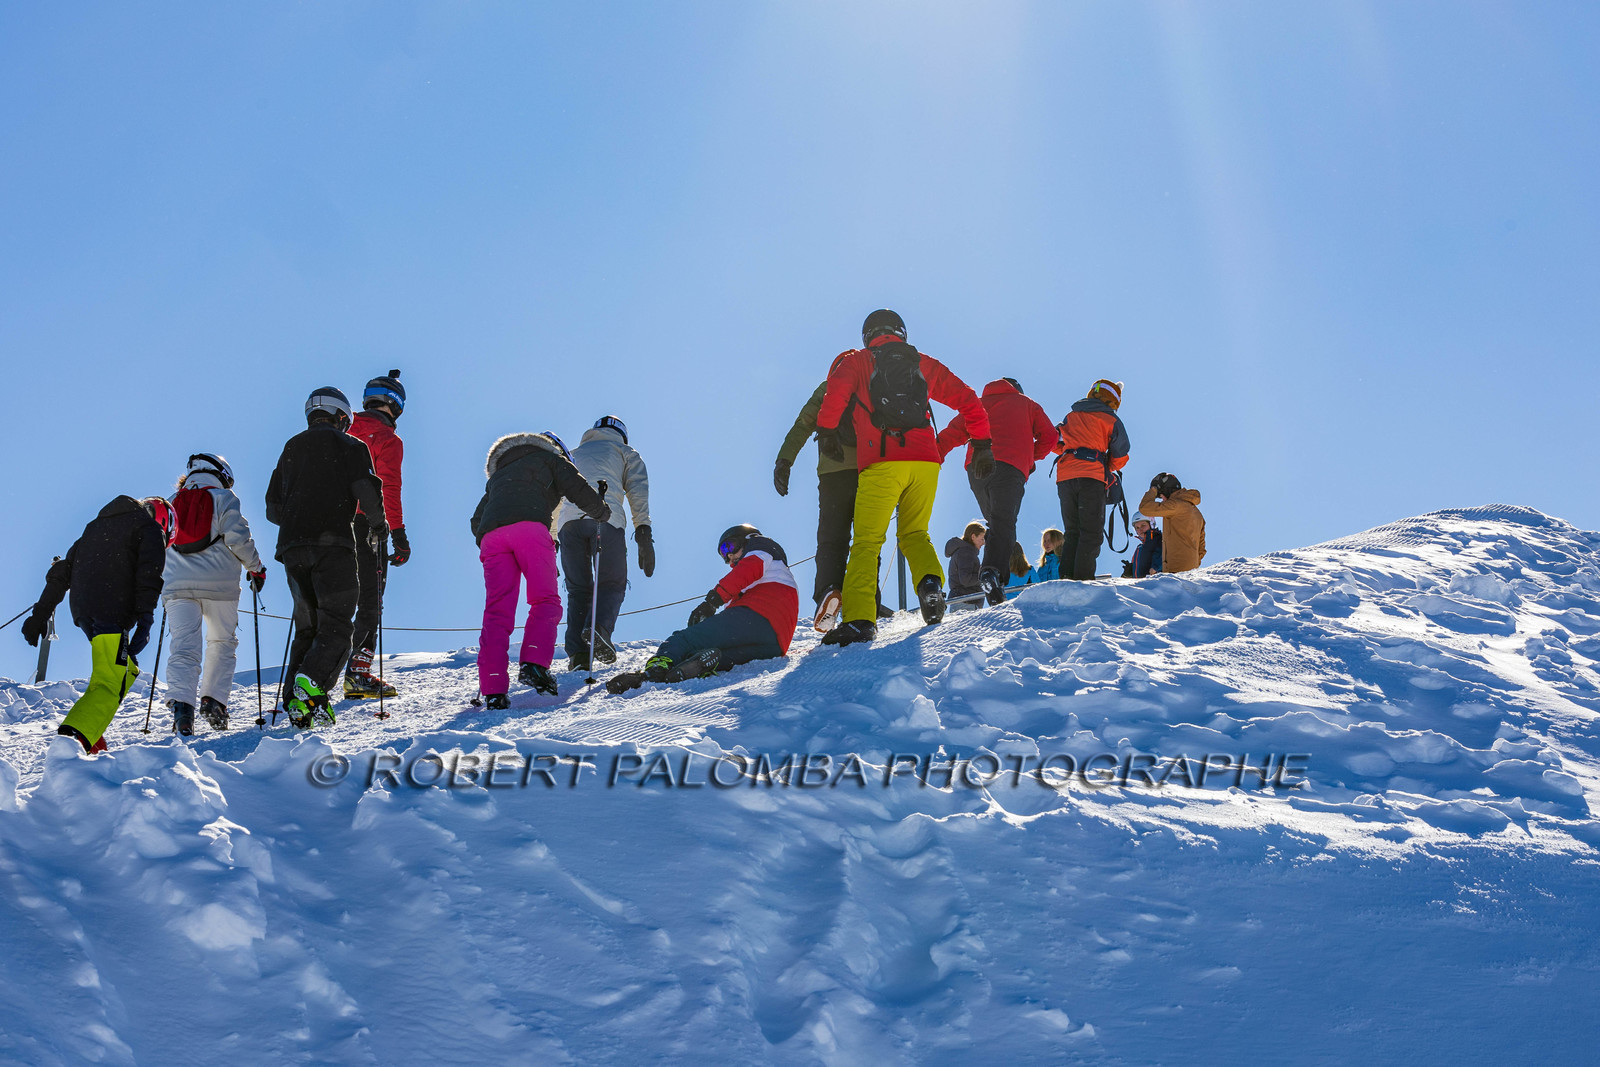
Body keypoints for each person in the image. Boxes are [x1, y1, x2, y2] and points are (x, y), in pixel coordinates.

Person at [814, 309, 993, 646]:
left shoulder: (858, 362)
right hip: (926, 462)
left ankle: (860, 620)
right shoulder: (922, 363)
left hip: (882, 462)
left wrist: (827, 433)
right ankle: (929, 585)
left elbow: (834, 394)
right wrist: (982, 443)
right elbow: (968, 399)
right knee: (914, 532)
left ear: (868, 335)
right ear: (901, 333)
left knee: (867, 543)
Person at [266, 387, 387, 728]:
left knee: (308, 626)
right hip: (333, 544)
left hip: (291, 548)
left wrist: (298, 516)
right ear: (342, 416)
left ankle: (297, 700)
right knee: (337, 622)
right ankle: (313, 681)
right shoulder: (350, 445)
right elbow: (366, 489)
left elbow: (272, 507)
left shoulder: (291, 447)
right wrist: (379, 527)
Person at [19, 496, 173, 752]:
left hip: (84, 611)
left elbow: (61, 574)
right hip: (112, 609)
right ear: (164, 521)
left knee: (126, 669)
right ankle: (74, 739)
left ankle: (92, 732)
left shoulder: (93, 529)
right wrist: (146, 618)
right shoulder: (149, 529)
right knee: (110, 679)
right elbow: (150, 573)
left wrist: (40, 615)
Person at [471, 431, 610, 709]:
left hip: (492, 539)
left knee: (497, 612)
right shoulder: (552, 459)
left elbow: (477, 520)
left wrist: (489, 539)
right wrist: (601, 511)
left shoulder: (500, 475)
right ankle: (534, 663)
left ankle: (494, 689)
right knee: (545, 600)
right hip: (531, 530)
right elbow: (578, 488)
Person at [606, 524, 797, 694]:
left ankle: (655, 669)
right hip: (774, 644)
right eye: (725, 555)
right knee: (716, 654)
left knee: (684, 639)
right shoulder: (769, 574)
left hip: (756, 615)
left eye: (728, 547)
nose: (729, 556)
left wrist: (711, 602)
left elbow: (748, 570)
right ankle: (693, 666)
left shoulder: (761, 546)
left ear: (747, 537)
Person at [160, 453, 267, 734]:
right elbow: (239, 538)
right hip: (221, 586)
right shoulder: (224, 497)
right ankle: (214, 701)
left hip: (177, 586)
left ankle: (183, 710)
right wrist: (256, 568)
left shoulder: (170, 501)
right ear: (222, 475)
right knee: (222, 641)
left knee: (183, 647)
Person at [774, 381, 894, 630]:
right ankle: (869, 599)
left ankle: (828, 592)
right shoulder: (874, 382)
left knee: (831, 539)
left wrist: (784, 461)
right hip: (870, 470)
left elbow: (804, 423)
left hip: (833, 473)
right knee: (868, 540)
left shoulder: (830, 386)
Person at [936, 377, 1056, 605]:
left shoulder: (978, 403)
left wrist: (933, 455)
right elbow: (1050, 438)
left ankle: (994, 582)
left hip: (977, 468)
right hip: (1009, 467)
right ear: (1017, 390)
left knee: (997, 523)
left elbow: (952, 432)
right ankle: (992, 575)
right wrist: (1030, 459)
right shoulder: (1027, 403)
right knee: (1004, 522)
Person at [553, 416, 653, 672]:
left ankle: (577, 655)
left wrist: (551, 538)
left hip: (569, 524)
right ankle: (599, 630)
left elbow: (555, 496)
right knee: (611, 582)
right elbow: (637, 489)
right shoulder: (625, 451)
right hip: (606, 519)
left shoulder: (572, 454)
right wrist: (643, 530)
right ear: (622, 434)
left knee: (578, 590)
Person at [344, 370, 409, 700]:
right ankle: (358, 672)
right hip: (369, 524)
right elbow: (388, 488)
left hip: (329, 525)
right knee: (370, 598)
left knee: (333, 598)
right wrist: (398, 535)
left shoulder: (343, 427)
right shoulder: (387, 439)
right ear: (396, 405)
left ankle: (313, 672)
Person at [1053, 379, 1130, 580]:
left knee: (1072, 531)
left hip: (1065, 477)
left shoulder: (1071, 415)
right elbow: (1121, 455)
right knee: (1091, 533)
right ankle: (1082, 581)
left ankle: (1066, 579)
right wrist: (1107, 467)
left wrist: (1072, 451)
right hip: (1091, 477)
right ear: (1114, 401)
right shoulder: (1110, 419)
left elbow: (1054, 441)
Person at [1138, 473, 1206, 573]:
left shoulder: (1175, 506)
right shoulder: (1197, 513)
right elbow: (1201, 549)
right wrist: (1192, 565)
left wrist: (1153, 490)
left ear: (1167, 491)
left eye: (1162, 497)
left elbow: (1144, 508)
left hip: (1175, 569)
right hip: (1191, 571)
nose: (1163, 500)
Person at [944, 521, 986, 601]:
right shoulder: (966, 552)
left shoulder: (964, 552)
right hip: (966, 601)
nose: (983, 543)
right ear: (973, 537)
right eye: (982, 539)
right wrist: (984, 577)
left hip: (962, 599)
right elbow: (967, 579)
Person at [1125, 512, 1164, 578]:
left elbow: (1167, 554)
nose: (1140, 530)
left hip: (1155, 583)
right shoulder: (1140, 547)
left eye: (1143, 525)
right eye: (1137, 527)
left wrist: (1156, 567)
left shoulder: (1160, 539)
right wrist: (1131, 571)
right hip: (1140, 585)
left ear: (1151, 524)